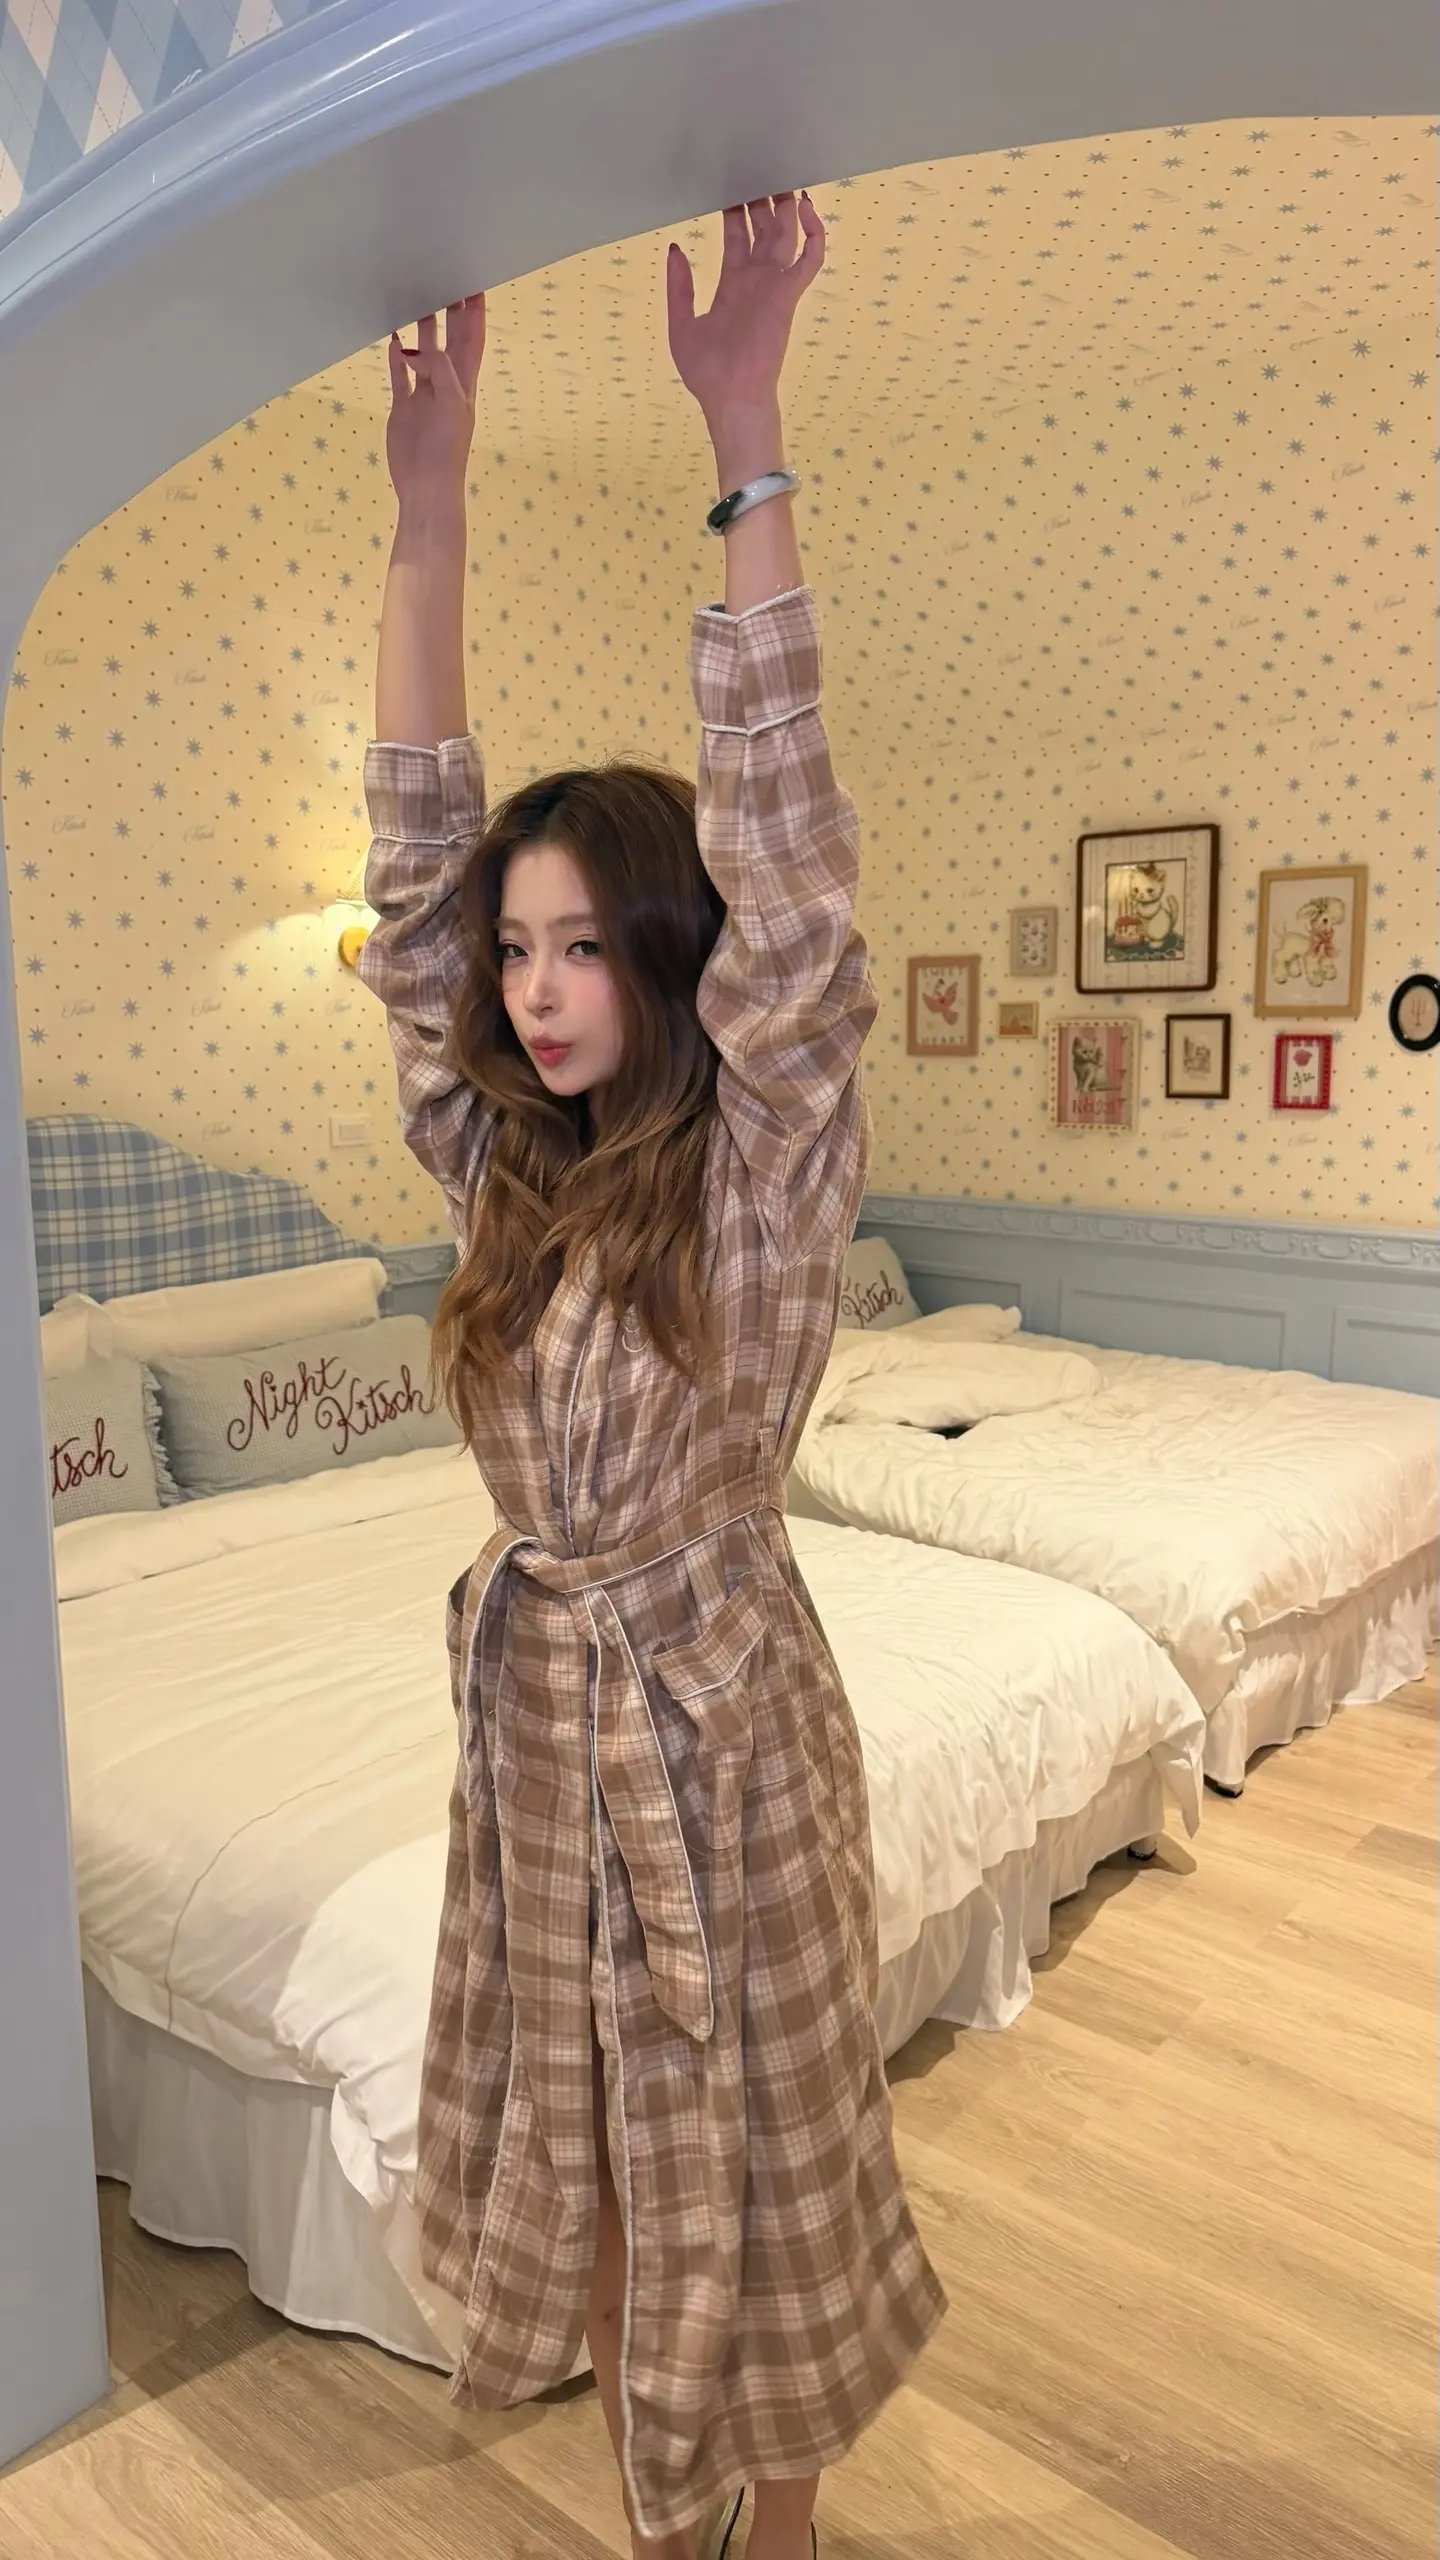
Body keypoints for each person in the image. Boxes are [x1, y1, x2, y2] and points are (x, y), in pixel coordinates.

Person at [358, 191, 946, 2560]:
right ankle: (652, 2512)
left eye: (586, 942)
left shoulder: (765, 1166)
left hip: (721, 1720)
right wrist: (427, 512)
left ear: (673, 958)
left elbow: (793, 874)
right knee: (589, 2141)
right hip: (542, 1725)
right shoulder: (499, 1168)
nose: (530, 982)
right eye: (519, 948)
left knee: (768, 2161)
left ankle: (769, 2525)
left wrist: (746, 434)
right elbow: (409, 882)